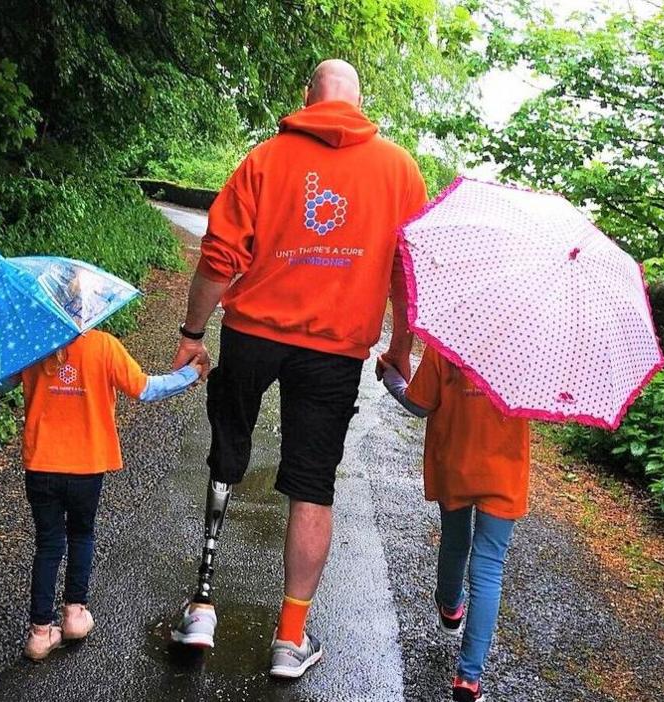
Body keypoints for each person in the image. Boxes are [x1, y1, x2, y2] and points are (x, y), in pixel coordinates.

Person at [169, 58, 427, 678]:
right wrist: (400, 347)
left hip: (253, 333)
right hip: (336, 351)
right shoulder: (398, 171)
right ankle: (290, 638)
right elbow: (407, 273)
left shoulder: (265, 159)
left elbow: (219, 256)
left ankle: (202, 606)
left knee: (227, 454)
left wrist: (191, 333)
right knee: (313, 485)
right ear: (360, 103)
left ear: (307, 97)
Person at [9, 330, 202, 661]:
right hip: (86, 466)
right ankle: (74, 615)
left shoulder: (32, 344)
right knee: (81, 535)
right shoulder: (103, 345)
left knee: (48, 544)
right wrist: (190, 374)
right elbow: (145, 389)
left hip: (41, 463)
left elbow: (2, 383)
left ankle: (40, 634)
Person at [380, 347, 530, 702]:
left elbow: (418, 404)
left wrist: (391, 377)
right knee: (489, 567)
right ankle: (468, 679)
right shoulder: (528, 352)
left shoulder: (449, 343)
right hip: (504, 473)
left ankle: (450, 606)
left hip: (455, 462)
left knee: (454, 540)